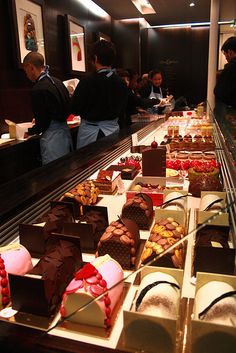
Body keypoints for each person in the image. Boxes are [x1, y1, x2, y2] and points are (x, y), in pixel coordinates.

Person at [71, 40, 128, 149]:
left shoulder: (87, 81)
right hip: (112, 132)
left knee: (89, 164)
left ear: (95, 58)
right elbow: (122, 109)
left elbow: (74, 109)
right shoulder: (121, 82)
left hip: (90, 133)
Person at [23, 52, 72, 165]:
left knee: (54, 174)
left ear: (31, 67)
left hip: (53, 140)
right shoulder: (58, 82)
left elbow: (42, 124)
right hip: (65, 134)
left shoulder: (38, 89)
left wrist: (29, 132)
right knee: (66, 170)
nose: (26, 75)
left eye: (26, 71)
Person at [214, 36, 236, 124]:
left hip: (231, 112)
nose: (226, 57)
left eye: (225, 54)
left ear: (230, 52)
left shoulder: (231, 67)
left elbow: (220, 92)